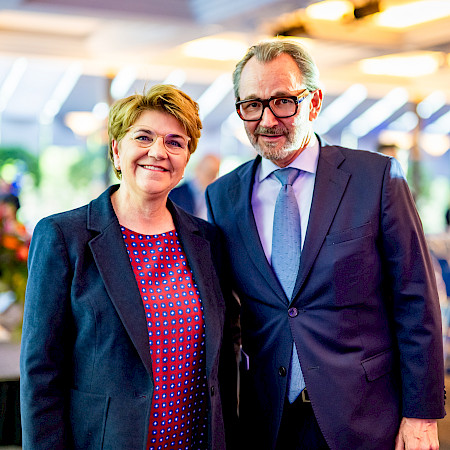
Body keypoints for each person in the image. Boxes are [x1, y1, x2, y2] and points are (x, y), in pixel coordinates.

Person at [205, 39, 445, 449]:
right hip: (268, 422)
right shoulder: (223, 197)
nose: (267, 119)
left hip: (366, 418)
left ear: (313, 103)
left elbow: (415, 299)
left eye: (283, 101)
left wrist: (420, 415)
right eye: (252, 104)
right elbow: (226, 316)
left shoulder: (376, 177)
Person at [20, 84, 236, 449]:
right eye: (144, 137)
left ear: (186, 159)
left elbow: (223, 363)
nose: (158, 152)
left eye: (174, 142)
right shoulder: (63, 237)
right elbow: (41, 374)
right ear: (117, 150)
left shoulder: (208, 241)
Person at [169, 153, 220, 219]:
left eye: (212, 174)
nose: (209, 177)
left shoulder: (215, 198)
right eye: (207, 171)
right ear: (197, 168)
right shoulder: (174, 194)